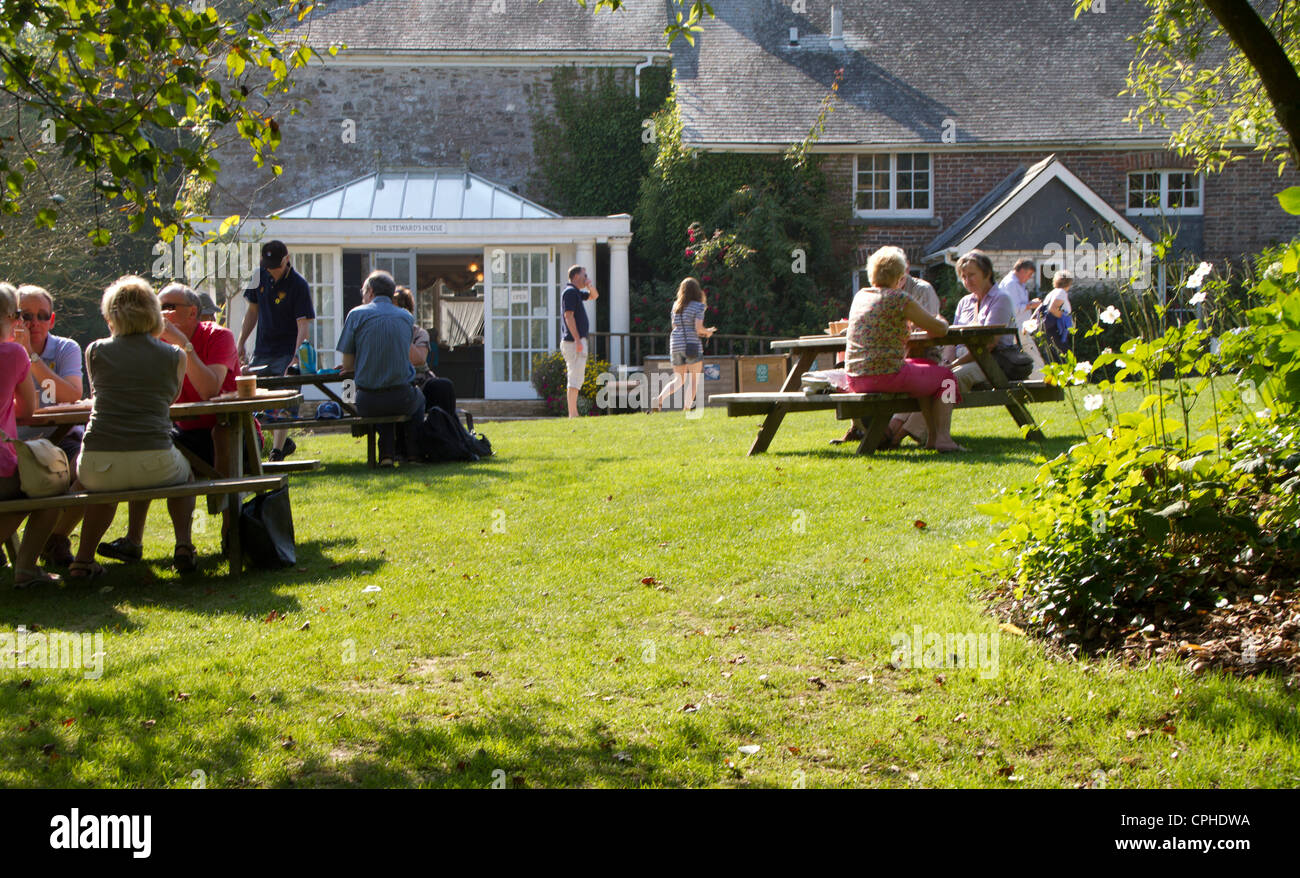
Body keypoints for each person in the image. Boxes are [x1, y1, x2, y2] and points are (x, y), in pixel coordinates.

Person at [96, 283, 239, 572]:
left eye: (170, 307)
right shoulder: (153, 347)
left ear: (193, 313)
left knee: (219, 434)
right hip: (180, 431)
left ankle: (230, 532)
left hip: (227, 430)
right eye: (158, 308)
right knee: (147, 442)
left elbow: (209, 390)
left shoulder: (218, 336)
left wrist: (182, 345)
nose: (163, 314)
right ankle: (135, 541)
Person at [69, 276, 194, 581]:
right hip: (154, 459)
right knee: (187, 475)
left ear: (111, 314)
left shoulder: (96, 350)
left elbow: (100, 393)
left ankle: (82, 560)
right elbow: (171, 397)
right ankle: (184, 546)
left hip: (97, 461)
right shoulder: (175, 355)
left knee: (105, 487)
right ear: (154, 313)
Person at [844, 247, 964, 453]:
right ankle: (943, 438)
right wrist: (940, 319)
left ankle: (933, 438)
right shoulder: (899, 299)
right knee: (947, 378)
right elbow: (938, 330)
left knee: (929, 368)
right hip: (885, 375)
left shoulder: (861, 296)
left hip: (856, 377)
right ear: (901, 276)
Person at [10, 285, 85, 566]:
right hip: (16, 439)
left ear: (52, 320)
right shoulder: (4, 351)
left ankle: (55, 537)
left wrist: (31, 357)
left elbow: (71, 394)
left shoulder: (66, 348)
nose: (34, 323)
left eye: (42, 316)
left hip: (61, 436)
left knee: (87, 467)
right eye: (26, 315)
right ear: (14, 318)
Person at [0, 283, 62, 588]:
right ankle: (25, 568)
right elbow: (27, 409)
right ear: (13, 318)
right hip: (1, 470)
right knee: (49, 485)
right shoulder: (13, 353)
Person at [336, 271, 425, 467]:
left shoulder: (356, 314)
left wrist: (359, 363)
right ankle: (413, 455)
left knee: (377, 392)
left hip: (367, 401)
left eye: (363, 291)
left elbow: (348, 366)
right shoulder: (406, 317)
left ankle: (386, 455)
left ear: (371, 291)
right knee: (417, 398)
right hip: (401, 397)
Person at [238, 240, 314, 461]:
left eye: (276, 266)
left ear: (287, 259)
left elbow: (303, 324)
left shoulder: (299, 285)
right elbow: (252, 311)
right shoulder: (258, 275)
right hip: (262, 350)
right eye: (268, 266)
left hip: (286, 352)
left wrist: (296, 356)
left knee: (283, 404)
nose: (272, 271)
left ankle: (276, 452)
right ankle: (284, 442)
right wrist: (242, 340)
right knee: (259, 404)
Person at [944, 250, 1019, 395]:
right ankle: (903, 418)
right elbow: (951, 339)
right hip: (962, 361)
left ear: (987, 273)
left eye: (971, 275)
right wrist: (946, 362)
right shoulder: (964, 302)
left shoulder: (1000, 298)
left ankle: (940, 416)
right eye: (964, 276)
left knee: (950, 379)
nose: (967, 281)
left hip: (990, 361)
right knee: (930, 377)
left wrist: (954, 365)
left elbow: (989, 344)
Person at [652, 277, 716, 413]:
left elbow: (674, 325)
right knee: (694, 380)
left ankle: (658, 399)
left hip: (675, 344)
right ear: (697, 291)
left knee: (678, 380)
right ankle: (686, 408)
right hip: (691, 345)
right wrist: (708, 332)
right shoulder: (698, 306)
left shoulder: (676, 306)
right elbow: (698, 328)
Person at [392, 285, 457, 418]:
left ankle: (448, 431)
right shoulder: (381, 331)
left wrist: (399, 331)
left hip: (420, 383)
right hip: (394, 385)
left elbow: (418, 359)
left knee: (443, 386)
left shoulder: (419, 333)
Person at [560, 265, 599, 418]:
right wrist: (577, 340)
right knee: (574, 377)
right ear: (576, 276)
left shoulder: (575, 292)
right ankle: (573, 414)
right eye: (584, 275)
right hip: (572, 341)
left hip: (576, 341)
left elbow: (594, 295)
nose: (586, 276)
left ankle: (573, 413)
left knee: (577, 377)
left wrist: (589, 285)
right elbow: (568, 316)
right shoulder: (570, 292)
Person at [998, 257, 1045, 377]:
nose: (1029, 278)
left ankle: (1040, 378)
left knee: (1029, 354)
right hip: (1017, 328)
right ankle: (1042, 380)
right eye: (1029, 274)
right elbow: (1014, 309)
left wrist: (1030, 304)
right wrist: (1031, 305)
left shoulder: (1017, 283)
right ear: (1022, 271)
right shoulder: (1011, 283)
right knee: (1031, 354)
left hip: (1021, 327)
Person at [1038, 270, 1074, 363]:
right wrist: (1065, 318)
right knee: (1065, 359)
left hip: (1049, 330)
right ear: (1069, 283)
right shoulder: (1061, 292)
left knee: (1054, 359)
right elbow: (1053, 309)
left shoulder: (1052, 293)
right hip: (1056, 331)